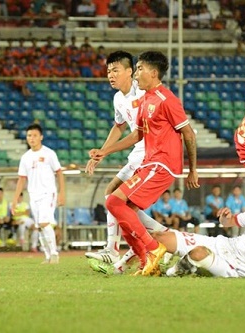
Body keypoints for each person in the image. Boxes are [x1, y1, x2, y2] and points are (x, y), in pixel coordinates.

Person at [89, 51, 199, 276]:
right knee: (120, 205)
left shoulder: (162, 98)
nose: (138, 73)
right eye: (108, 71)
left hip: (159, 162)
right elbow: (135, 134)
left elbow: (188, 133)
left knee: (114, 200)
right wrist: (104, 151)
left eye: (139, 69)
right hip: (146, 159)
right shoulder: (140, 98)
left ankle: (147, 249)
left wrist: (192, 170)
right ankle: (146, 258)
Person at [85, 51, 169, 266]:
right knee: (114, 199)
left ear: (130, 71)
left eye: (115, 70)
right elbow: (119, 126)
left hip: (151, 152)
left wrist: (106, 152)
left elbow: (139, 133)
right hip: (138, 153)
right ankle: (163, 237)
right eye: (108, 71)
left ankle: (115, 249)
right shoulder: (117, 98)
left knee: (117, 200)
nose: (110, 75)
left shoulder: (142, 92)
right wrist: (100, 153)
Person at [12, 123, 65, 264]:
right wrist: (15, 199)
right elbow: (22, 179)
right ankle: (47, 256)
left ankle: (54, 254)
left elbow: (59, 172)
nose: (32, 138)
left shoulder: (49, 153)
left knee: (44, 223)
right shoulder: (25, 157)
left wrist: (62, 193)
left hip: (48, 193)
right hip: (33, 195)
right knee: (39, 226)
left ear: (41, 137)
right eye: (29, 135)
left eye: (35, 135)